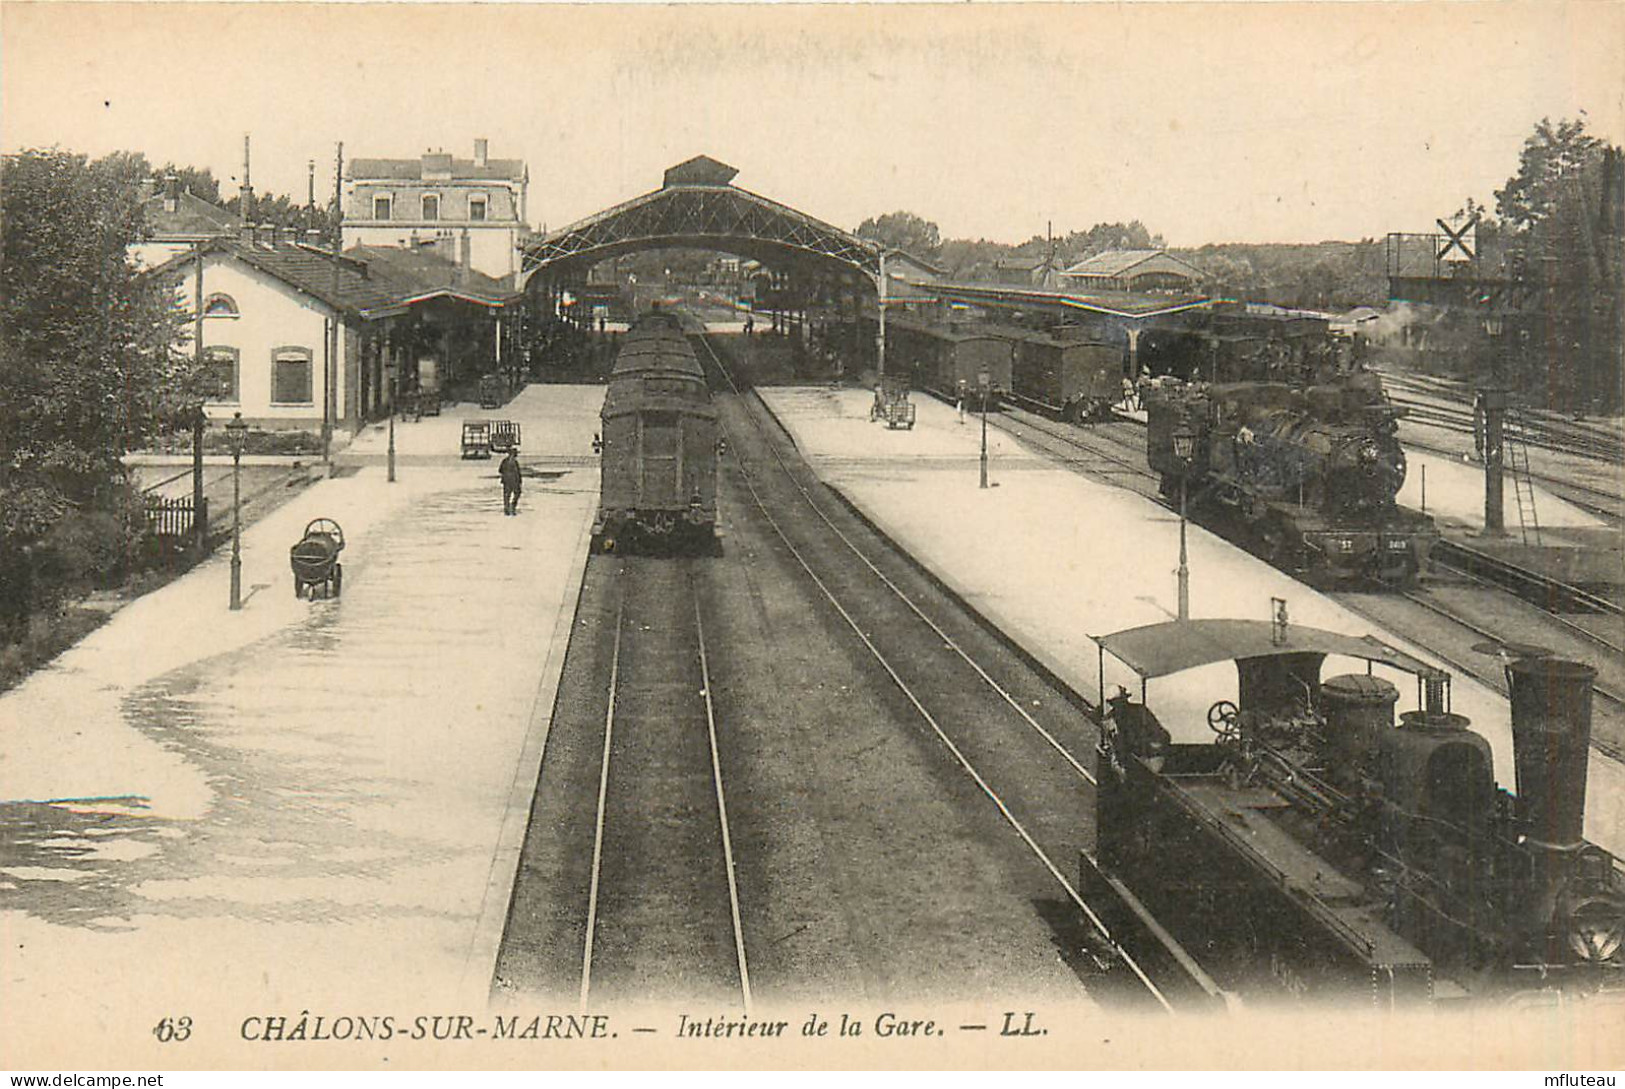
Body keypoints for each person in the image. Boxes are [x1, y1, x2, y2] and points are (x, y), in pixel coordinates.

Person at [499, 449, 523, 515]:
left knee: (509, 494)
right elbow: (518, 472)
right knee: (511, 494)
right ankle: (510, 506)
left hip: (510, 480)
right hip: (512, 481)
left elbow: (500, 470)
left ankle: (509, 507)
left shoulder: (506, 461)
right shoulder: (513, 462)